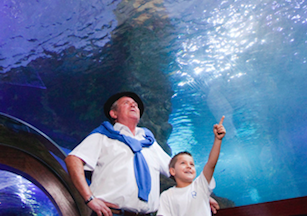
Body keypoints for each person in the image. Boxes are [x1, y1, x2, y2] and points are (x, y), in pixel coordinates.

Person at [66, 91, 220, 216]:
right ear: (113, 113)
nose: (133, 104)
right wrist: (89, 198)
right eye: (126, 103)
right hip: (111, 213)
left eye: (136, 104)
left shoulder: (149, 142)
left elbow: (175, 171)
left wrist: (200, 195)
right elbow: (73, 159)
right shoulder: (102, 136)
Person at [158, 116, 226, 216]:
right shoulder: (166, 195)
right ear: (172, 171)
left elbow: (211, 164)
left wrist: (218, 140)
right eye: (183, 163)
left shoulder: (200, 185)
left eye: (192, 164)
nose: (189, 166)